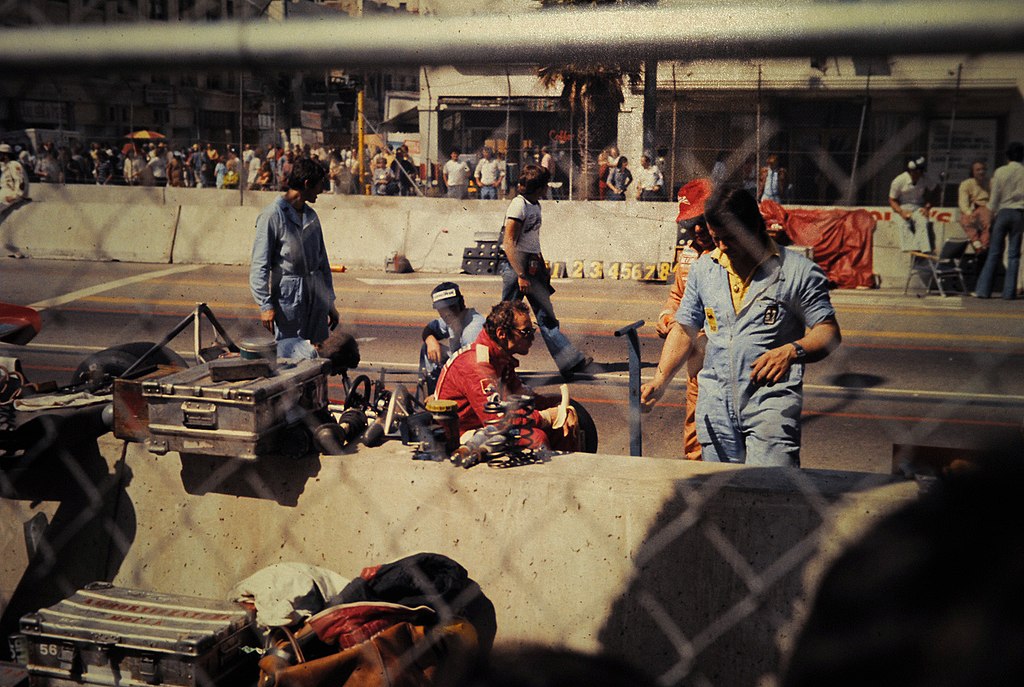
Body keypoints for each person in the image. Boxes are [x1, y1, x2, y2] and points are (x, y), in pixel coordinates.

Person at [639, 187, 841, 467]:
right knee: (720, 494)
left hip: (770, 404)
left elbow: (828, 331)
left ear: (754, 227)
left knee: (770, 491)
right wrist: (660, 380)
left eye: (730, 238)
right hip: (715, 405)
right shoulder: (704, 269)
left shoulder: (798, 271)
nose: (721, 246)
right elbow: (685, 328)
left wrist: (793, 351)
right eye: (716, 238)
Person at [434, 300, 579, 451]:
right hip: (462, 434)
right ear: (502, 334)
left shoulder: (500, 355)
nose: (532, 338)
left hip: (486, 423)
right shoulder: (477, 366)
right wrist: (548, 417)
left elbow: (522, 397)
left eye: (532, 331)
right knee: (535, 438)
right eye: (525, 332)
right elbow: (498, 419)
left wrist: (559, 408)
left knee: (561, 410)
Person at [500, 164, 592, 380]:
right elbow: (509, 243)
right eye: (544, 186)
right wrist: (521, 274)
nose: (546, 189)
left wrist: (540, 263)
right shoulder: (518, 206)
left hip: (532, 265)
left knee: (546, 317)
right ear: (538, 187)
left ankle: (570, 361)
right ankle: (494, 359)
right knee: (506, 319)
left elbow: (532, 239)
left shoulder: (535, 205)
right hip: (518, 269)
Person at [249, 157, 339, 359]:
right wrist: (265, 305)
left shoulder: (312, 216)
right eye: (319, 185)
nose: (321, 190)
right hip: (289, 297)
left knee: (317, 354)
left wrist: (329, 302)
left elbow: (322, 262)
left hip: (315, 296)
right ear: (307, 184)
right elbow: (259, 265)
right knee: (292, 356)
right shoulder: (272, 216)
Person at [654, 178, 716, 461]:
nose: (698, 230)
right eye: (691, 224)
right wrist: (667, 315)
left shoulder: (732, 253)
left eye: (702, 220)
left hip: (723, 355)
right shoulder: (689, 253)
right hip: (695, 359)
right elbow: (676, 296)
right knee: (694, 424)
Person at [975, 141, 1024, 300]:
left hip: (1002, 212)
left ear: (1007, 155)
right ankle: (1009, 292)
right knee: (1014, 254)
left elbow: (994, 199)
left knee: (994, 253)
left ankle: (983, 290)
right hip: (1019, 214)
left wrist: (989, 219)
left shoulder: (1000, 171)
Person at [419, 282, 486, 397]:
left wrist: (441, 396)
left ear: (461, 303)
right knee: (427, 348)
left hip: (476, 375)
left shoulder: (472, 331)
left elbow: (475, 373)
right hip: (460, 365)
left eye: (451, 307)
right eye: (442, 309)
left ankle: (437, 399)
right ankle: (430, 395)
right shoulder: (452, 319)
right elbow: (429, 329)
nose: (447, 313)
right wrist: (431, 340)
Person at [889, 156, 938, 253]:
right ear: (911, 171)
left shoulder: (925, 178)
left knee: (923, 221)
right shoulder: (899, 180)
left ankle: (923, 251)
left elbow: (936, 191)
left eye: (920, 171)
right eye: (916, 171)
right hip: (902, 207)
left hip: (918, 207)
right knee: (903, 224)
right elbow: (892, 200)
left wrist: (927, 207)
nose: (919, 174)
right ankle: (913, 250)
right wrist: (901, 212)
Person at [957, 159, 991, 254]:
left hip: (987, 207)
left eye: (983, 169)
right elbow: (963, 203)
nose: (981, 172)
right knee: (964, 219)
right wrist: (969, 213)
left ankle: (984, 245)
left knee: (987, 220)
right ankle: (976, 242)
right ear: (972, 171)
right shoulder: (966, 184)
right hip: (973, 209)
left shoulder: (990, 182)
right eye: (978, 170)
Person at [0, 143, 30, 214]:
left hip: (12, 194)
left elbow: (20, 181)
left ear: (5, 155)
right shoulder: (5, 165)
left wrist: (14, 196)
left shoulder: (14, 164)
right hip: (5, 192)